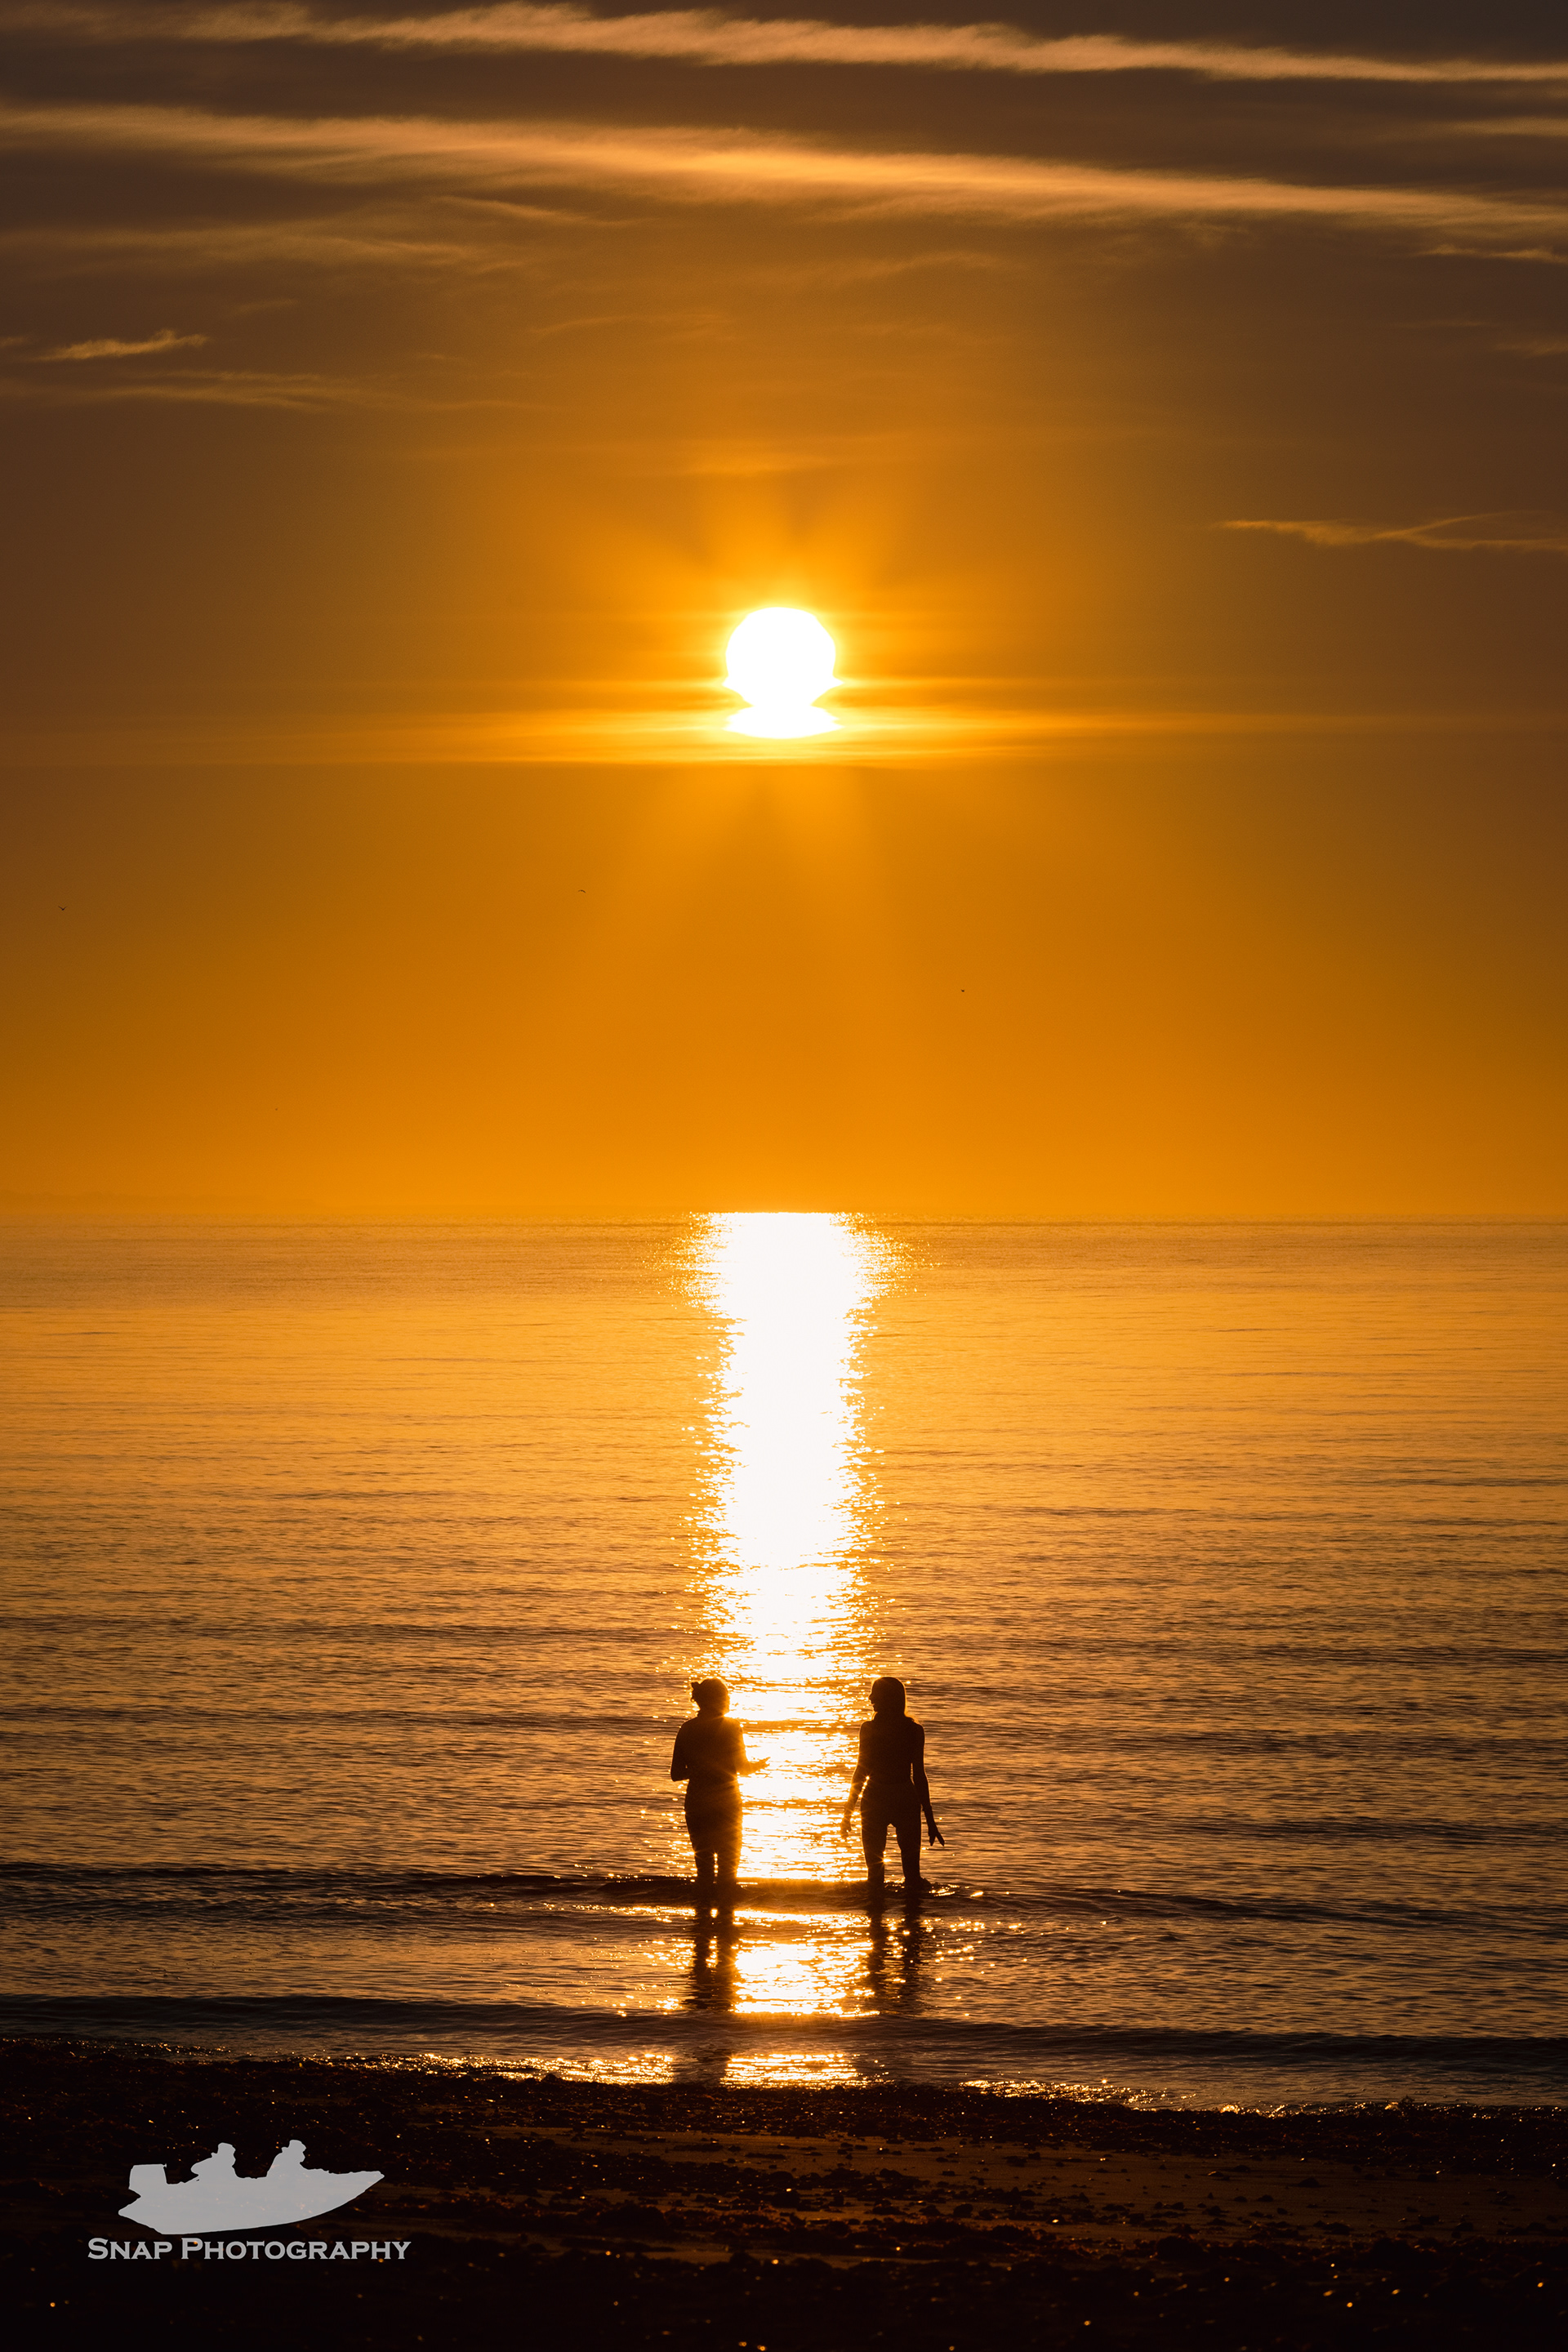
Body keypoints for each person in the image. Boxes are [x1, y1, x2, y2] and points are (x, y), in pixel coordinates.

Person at [840, 1676, 943, 1894]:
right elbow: (919, 1777)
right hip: (903, 1797)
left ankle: (877, 1912)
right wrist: (930, 1820)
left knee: (876, 1879)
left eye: (875, 1693)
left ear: (888, 1698)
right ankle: (912, 1913)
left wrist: (848, 1812)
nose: (870, 1698)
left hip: (877, 1798)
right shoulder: (914, 1731)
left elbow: (861, 1772)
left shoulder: (871, 1729)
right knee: (912, 1879)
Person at [670, 1678, 766, 1904]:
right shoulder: (731, 1727)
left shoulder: (686, 1729)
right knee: (727, 1870)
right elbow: (742, 1768)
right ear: (720, 1700)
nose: (729, 1701)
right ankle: (725, 1918)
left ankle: (702, 1918)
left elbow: (676, 1773)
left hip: (697, 1802)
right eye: (727, 1697)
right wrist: (757, 1766)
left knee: (704, 1869)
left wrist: (699, 1769)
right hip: (726, 1803)